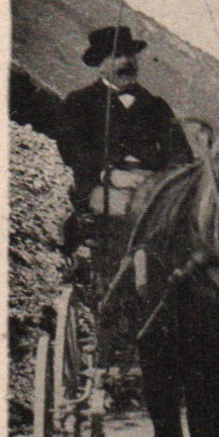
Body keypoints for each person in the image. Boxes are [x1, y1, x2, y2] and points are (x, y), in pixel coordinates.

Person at [56, 25, 194, 267]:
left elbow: (181, 154)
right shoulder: (80, 102)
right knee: (139, 219)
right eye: (117, 56)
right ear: (100, 65)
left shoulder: (156, 106)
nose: (127, 62)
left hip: (152, 186)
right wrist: (110, 174)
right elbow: (72, 150)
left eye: (130, 55)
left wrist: (163, 181)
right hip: (100, 183)